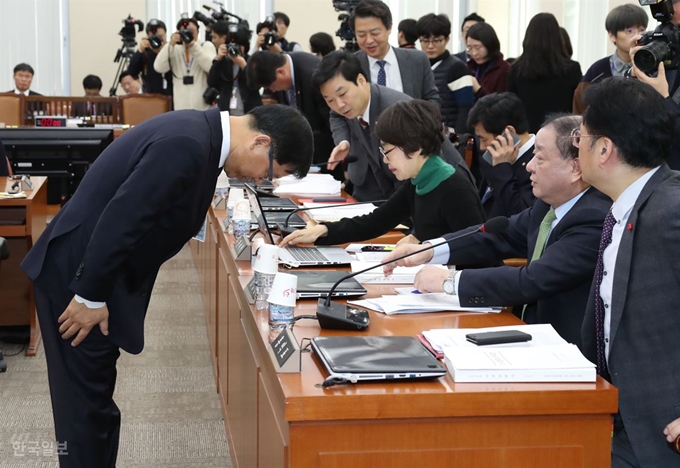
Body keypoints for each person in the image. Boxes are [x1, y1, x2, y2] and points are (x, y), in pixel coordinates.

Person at [20, 104, 313, 467]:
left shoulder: (200, 134)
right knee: (83, 411)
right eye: (269, 173)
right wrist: (89, 295)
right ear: (260, 143)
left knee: (93, 405)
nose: (259, 182)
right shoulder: (187, 143)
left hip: (94, 274)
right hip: (80, 281)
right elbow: (122, 218)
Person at [382, 114, 611, 346]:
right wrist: (429, 250)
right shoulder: (547, 207)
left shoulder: (594, 217)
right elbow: (499, 234)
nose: (529, 167)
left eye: (539, 158)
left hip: (566, 352)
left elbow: (533, 280)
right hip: (526, 335)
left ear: (575, 168)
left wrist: (450, 280)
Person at [576, 77, 680, 468]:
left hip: (663, 431)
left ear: (604, 149)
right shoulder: (625, 208)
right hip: (618, 417)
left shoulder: (671, 210)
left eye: (581, 136)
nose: (577, 147)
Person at [280, 100, 484, 248]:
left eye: (387, 150)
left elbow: (477, 252)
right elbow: (377, 221)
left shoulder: (454, 189)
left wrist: (424, 246)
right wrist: (324, 231)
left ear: (415, 147)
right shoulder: (418, 180)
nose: (385, 160)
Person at [319, 51, 472, 202]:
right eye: (330, 100)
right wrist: (344, 141)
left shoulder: (396, 110)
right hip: (396, 191)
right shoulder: (352, 107)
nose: (339, 105)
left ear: (360, 80)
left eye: (343, 94)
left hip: (446, 194)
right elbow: (336, 115)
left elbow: (427, 168)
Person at [246, 51, 335, 168]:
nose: (272, 90)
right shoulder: (280, 69)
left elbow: (331, 120)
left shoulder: (313, 75)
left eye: (271, 86)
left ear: (280, 72)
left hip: (327, 153)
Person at [350, 0, 440, 105]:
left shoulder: (417, 60)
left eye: (375, 33)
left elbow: (432, 99)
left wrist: (420, 120)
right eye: (361, 35)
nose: (369, 40)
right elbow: (337, 114)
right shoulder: (350, 65)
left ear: (389, 28)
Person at [508, 13, 582, 133]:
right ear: (558, 38)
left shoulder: (516, 70)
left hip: (526, 136)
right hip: (562, 135)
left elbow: (511, 107)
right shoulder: (572, 69)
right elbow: (577, 107)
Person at [468, 92, 536, 218]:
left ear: (508, 133)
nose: (482, 147)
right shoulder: (494, 156)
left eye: (483, 139)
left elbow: (520, 214)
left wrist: (502, 168)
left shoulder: (537, 161)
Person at [573, 4, 648, 114]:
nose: (638, 36)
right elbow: (580, 110)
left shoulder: (651, 68)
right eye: (629, 30)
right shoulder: (597, 71)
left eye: (642, 30)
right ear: (612, 35)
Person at [416, 13, 474, 133]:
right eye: (425, 41)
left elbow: (466, 108)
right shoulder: (416, 65)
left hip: (448, 135)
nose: (430, 46)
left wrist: (459, 138)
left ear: (447, 39)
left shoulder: (458, 68)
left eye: (437, 40)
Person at [154, 17, 216, 110]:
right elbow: (159, 67)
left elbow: (211, 68)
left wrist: (194, 47)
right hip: (181, 108)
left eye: (191, 31)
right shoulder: (174, 48)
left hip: (203, 108)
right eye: (184, 32)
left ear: (198, 32)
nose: (188, 34)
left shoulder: (205, 46)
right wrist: (170, 45)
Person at [207, 21, 262, 114]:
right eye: (232, 45)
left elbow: (257, 85)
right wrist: (218, 59)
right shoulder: (223, 62)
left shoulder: (252, 61)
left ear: (245, 46)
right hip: (226, 112)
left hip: (249, 111)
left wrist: (244, 66)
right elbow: (212, 82)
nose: (235, 48)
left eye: (239, 45)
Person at [126, 19, 173, 96]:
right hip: (150, 97)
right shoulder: (145, 53)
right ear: (148, 37)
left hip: (171, 96)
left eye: (160, 36)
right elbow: (131, 71)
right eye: (154, 37)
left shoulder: (171, 50)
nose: (158, 40)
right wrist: (140, 50)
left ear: (166, 35)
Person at [465, 22, 510, 98]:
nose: (474, 53)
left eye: (478, 47)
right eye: (470, 48)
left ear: (489, 45)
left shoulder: (505, 69)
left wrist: (478, 90)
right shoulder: (469, 68)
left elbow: (502, 104)